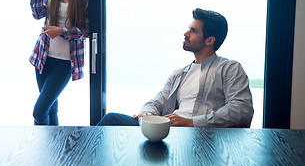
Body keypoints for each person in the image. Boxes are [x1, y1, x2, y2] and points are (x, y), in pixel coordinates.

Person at [97, 8, 254, 127]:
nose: (185, 33)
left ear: (209, 40)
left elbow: (241, 109)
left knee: (111, 120)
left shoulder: (229, 68)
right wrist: (147, 114)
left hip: (200, 134)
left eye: (193, 31)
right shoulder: (180, 74)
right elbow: (156, 102)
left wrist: (191, 122)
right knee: (112, 120)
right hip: (168, 129)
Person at [30, 0, 89, 125]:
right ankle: (52, 151)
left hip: (64, 62)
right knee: (50, 108)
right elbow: (37, 13)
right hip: (43, 57)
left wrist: (61, 31)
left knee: (39, 111)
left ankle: (41, 148)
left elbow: (87, 30)